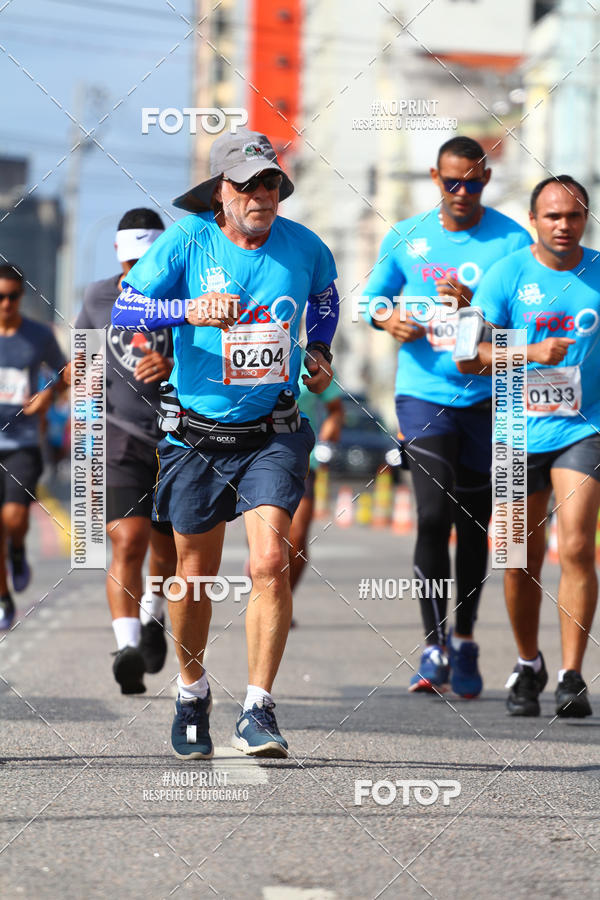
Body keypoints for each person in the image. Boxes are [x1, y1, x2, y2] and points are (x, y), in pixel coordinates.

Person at [111, 128, 339, 758]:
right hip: (196, 435)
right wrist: (188, 311)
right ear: (221, 190)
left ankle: (259, 709)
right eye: (248, 185)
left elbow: (325, 303)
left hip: (272, 432)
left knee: (269, 562)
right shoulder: (185, 242)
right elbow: (127, 312)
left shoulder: (307, 248)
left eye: (272, 184)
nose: (262, 196)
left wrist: (319, 348)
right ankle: (191, 693)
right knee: (193, 576)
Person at [363, 136, 531, 697]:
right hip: (423, 392)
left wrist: (475, 308)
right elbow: (371, 300)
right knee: (433, 516)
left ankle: (464, 638)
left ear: (488, 181)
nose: (463, 192)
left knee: (475, 524)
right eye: (453, 182)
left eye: (475, 182)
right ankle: (432, 645)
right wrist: (388, 321)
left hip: (487, 396)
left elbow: (527, 325)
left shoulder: (511, 241)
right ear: (436, 178)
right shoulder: (407, 236)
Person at [457, 175, 599, 717]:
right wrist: (530, 350)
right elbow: (468, 358)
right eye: (553, 217)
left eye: (574, 216)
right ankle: (527, 662)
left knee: (580, 545)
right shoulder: (505, 274)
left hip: (583, 428)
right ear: (534, 221)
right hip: (517, 433)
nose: (564, 226)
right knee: (518, 558)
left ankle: (569, 675)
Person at [74, 209, 176, 694]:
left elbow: (212, 354)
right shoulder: (96, 297)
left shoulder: (183, 296)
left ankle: (154, 616)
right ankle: (128, 648)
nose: (137, 274)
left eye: (147, 262)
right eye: (131, 262)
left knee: (169, 550)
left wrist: (172, 360)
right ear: (119, 254)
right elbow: (82, 363)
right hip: (115, 437)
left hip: (179, 439)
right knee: (127, 541)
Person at [0, 263, 67, 630]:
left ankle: (16, 549)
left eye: (12, 297)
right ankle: (3, 598)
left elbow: (66, 371)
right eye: (0, 297)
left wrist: (49, 393)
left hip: (22, 441)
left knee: (13, 517)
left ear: (20, 296)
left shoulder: (38, 335)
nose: (6, 304)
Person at [288, 380, 344, 604]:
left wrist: (331, 428)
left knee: (297, 537)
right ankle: (267, 589)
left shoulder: (309, 361)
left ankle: (284, 598)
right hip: (257, 457)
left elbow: (336, 410)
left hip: (303, 460)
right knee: (269, 542)